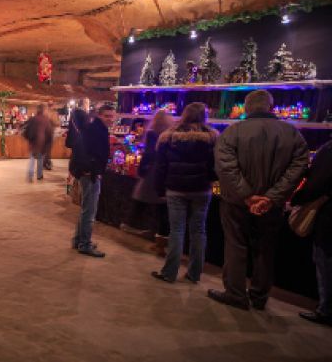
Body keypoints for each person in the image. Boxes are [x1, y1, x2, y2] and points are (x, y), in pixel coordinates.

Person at [209, 90, 309, 310]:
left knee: (235, 246)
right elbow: (299, 167)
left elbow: (225, 166)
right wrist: (271, 198)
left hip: (236, 202)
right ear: (271, 107)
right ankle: (259, 296)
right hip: (271, 205)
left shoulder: (232, 132)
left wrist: (246, 195)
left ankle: (235, 294)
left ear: (246, 108)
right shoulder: (292, 134)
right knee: (265, 249)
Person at [150, 103, 218, 283]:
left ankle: (169, 272)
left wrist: (159, 188)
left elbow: (160, 166)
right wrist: (211, 178)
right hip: (202, 190)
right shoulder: (212, 137)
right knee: (198, 231)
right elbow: (215, 165)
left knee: (176, 231)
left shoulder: (169, 137)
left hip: (175, 188)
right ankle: (195, 273)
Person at [120, 110, 174, 257]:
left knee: (141, 200)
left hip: (152, 175)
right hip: (164, 176)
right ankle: (160, 243)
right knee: (162, 210)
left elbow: (149, 154)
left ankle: (132, 224)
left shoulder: (152, 134)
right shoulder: (170, 135)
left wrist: (142, 170)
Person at [291, 138, 332, 326]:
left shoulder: (328, 150)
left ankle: (326, 310)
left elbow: (316, 183)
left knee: (325, 261)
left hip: (328, 217)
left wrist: (296, 199)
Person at [72, 104, 116, 257]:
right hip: (90, 174)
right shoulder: (94, 129)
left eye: (112, 116)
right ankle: (85, 244)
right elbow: (81, 150)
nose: (110, 119)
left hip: (90, 172)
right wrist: (92, 170)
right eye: (107, 116)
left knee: (86, 210)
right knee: (90, 212)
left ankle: (78, 240)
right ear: (99, 115)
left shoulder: (98, 128)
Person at [23, 104, 53, 182]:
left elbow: (26, 128)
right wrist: (49, 142)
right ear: (43, 110)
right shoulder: (46, 120)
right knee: (40, 159)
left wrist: (28, 138)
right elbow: (49, 132)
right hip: (42, 143)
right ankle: (39, 176)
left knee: (32, 159)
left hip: (33, 142)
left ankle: (30, 175)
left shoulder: (33, 119)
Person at [43, 101, 60, 170]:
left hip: (44, 133)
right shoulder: (53, 113)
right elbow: (56, 122)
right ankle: (47, 163)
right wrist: (57, 122)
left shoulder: (44, 112)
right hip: (50, 133)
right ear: (52, 105)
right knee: (48, 149)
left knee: (45, 149)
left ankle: (45, 163)